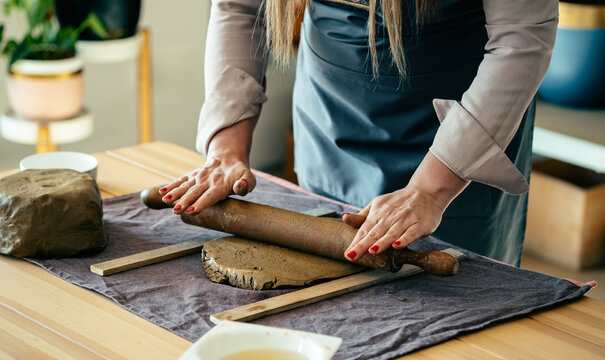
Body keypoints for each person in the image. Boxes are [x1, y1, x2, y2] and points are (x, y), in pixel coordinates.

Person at [160, 0, 558, 266]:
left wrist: (429, 190)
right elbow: (240, 6)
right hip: (330, 118)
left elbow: (521, 40)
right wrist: (225, 148)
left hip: (459, 133)